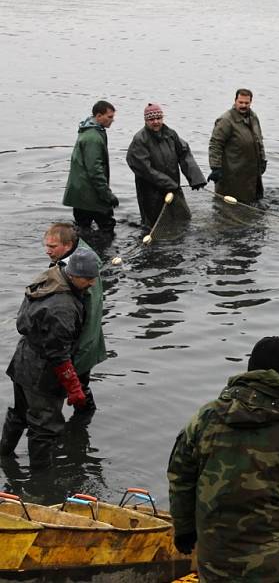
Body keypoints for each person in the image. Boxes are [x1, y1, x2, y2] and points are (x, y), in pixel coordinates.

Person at [167, 336, 279, 582]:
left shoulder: (204, 420)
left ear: (249, 368)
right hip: (274, 569)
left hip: (216, 562)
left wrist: (183, 530)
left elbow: (180, 479)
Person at [0, 249, 99, 469]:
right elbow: (59, 355)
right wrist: (74, 387)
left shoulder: (52, 274)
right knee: (44, 428)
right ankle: (41, 487)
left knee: (19, 413)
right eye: (88, 279)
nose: (92, 283)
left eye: (94, 278)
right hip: (42, 373)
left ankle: (4, 456)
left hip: (22, 360)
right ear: (73, 275)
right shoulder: (62, 307)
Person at [43, 222, 106, 412]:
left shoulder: (83, 275)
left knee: (79, 389)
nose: (47, 251)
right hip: (80, 343)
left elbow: (90, 315)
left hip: (80, 346)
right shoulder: (81, 262)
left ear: (69, 245)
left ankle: (82, 425)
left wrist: (75, 354)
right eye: (46, 246)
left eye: (52, 247)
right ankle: (82, 428)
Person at [126, 103, 207, 229]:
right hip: (151, 193)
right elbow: (145, 169)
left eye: (158, 118)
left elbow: (184, 153)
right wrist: (169, 183)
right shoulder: (140, 140)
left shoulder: (170, 134)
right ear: (146, 120)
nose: (156, 122)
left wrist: (196, 178)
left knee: (183, 220)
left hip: (173, 188)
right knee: (154, 226)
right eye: (152, 119)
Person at [62, 100, 119, 234]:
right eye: (109, 117)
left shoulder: (88, 130)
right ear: (98, 116)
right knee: (107, 227)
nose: (112, 120)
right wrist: (107, 195)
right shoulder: (93, 138)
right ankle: (106, 254)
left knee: (82, 228)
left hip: (79, 193)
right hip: (90, 194)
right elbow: (95, 170)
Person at [208, 88, 267, 205]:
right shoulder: (226, 120)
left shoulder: (253, 117)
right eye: (240, 102)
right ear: (235, 101)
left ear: (251, 102)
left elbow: (259, 140)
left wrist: (263, 160)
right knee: (227, 207)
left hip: (251, 173)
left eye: (246, 103)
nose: (243, 105)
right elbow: (215, 144)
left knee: (253, 205)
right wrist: (215, 167)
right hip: (231, 173)